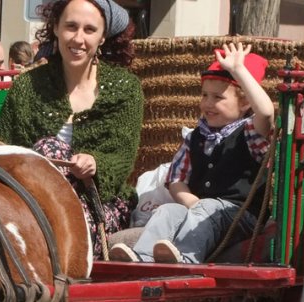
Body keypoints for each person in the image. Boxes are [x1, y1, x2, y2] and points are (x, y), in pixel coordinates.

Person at [0, 0, 144, 258]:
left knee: (48, 147)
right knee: (46, 149)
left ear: (102, 37)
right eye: (71, 27)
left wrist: (96, 163)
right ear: (55, 28)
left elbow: (123, 157)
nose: (78, 38)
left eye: (89, 29)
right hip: (29, 202)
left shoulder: (125, 89)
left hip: (98, 204)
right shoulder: (27, 86)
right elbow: (1, 148)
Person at [109, 42, 273, 264]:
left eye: (218, 97)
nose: (208, 103)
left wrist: (239, 71)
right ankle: (142, 257)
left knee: (209, 207)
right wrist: (192, 202)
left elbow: (266, 112)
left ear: (245, 103)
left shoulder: (250, 133)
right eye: (204, 95)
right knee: (168, 211)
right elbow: (176, 179)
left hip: (241, 217)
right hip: (200, 210)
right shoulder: (195, 137)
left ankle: (186, 258)